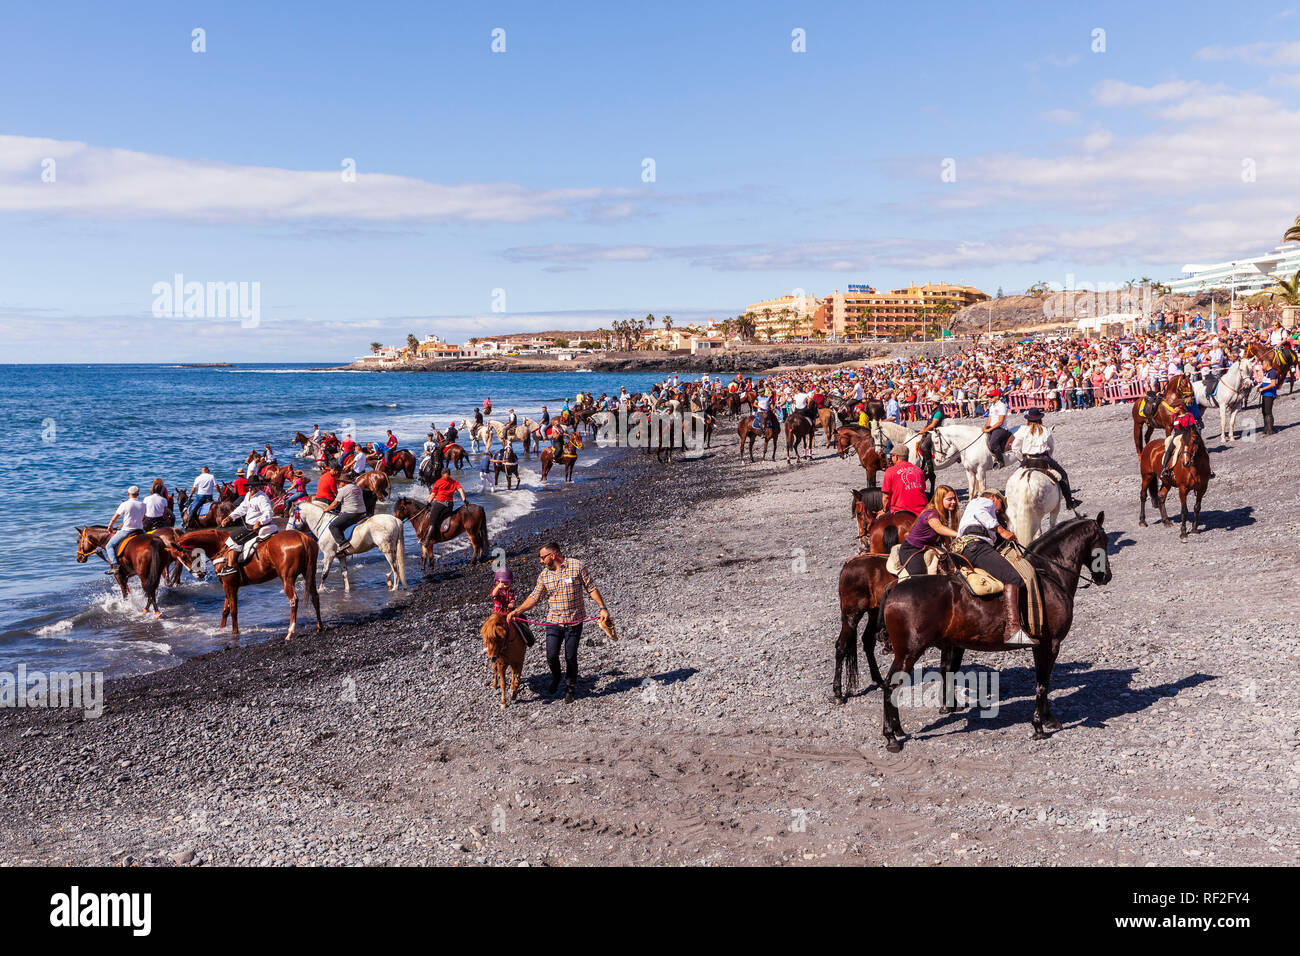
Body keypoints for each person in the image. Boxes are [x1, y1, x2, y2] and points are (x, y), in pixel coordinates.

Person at [507, 542, 610, 702]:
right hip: (553, 622)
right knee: (551, 655)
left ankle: (570, 687)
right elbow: (535, 597)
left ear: (552, 555)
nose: (541, 561)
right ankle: (556, 676)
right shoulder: (544, 576)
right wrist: (518, 611)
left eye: (542, 557)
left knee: (570, 657)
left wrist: (602, 608)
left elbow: (591, 588)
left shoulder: (577, 566)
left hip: (574, 622)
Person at [954, 490, 1033, 646]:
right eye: (1000, 506)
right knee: (1013, 577)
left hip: (968, 547)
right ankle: (1013, 630)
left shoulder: (973, 513)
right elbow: (982, 513)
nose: (998, 510)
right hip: (975, 545)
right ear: (994, 497)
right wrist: (1003, 531)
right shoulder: (983, 502)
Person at [1010, 408, 1082, 510]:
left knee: (1014, 479)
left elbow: (1015, 447)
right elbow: (1051, 446)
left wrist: (1021, 459)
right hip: (1043, 459)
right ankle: (1069, 502)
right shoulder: (1045, 430)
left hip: (1028, 459)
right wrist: (1050, 457)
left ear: (1028, 420)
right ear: (1040, 419)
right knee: (1063, 475)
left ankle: (1008, 501)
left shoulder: (1023, 431)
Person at [216, 477, 277, 575]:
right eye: (249, 486)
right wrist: (230, 517)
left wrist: (260, 522)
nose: (250, 488)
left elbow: (269, 512)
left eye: (253, 486)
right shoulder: (248, 495)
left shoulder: (262, 498)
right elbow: (242, 508)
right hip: (249, 524)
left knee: (232, 539)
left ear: (258, 486)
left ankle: (231, 566)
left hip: (256, 526)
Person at [896, 484, 960, 577]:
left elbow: (945, 538)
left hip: (928, 547)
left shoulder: (944, 513)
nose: (954, 502)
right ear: (939, 500)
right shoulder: (931, 513)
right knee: (920, 577)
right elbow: (938, 528)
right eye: (949, 499)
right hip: (912, 549)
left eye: (954, 498)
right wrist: (960, 534)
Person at [318, 473, 367, 557]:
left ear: (344, 482)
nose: (339, 483)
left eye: (340, 482)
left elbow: (335, 504)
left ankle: (343, 544)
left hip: (351, 513)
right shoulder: (358, 488)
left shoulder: (343, 490)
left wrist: (326, 509)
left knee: (333, 526)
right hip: (362, 513)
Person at [105, 486, 146, 574]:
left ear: (128, 494)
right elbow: (143, 518)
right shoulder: (143, 505)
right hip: (140, 531)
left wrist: (110, 526)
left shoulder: (124, 504)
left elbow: (114, 518)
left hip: (127, 531)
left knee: (109, 546)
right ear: (138, 494)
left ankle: (115, 566)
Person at [490, 567, 534, 646]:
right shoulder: (497, 590)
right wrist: (498, 587)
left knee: (521, 620)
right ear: (497, 582)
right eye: (503, 582)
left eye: (507, 583)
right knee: (490, 628)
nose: (504, 585)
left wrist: (512, 604)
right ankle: (490, 643)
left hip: (508, 613)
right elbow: (494, 594)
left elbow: (512, 600)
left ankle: (526, 638)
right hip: (498, 614)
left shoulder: (510, 591)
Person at [880, 446, 927, 516]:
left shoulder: (890, 471)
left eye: (892, 455)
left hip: (900, 510)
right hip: (922, 511)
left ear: (896, 457)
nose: (891, 458)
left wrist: (884, 510)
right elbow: (922, 489)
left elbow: (886, 497)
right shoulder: (919, 470)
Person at [1161, 405, 1198, 485]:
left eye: (1175, 407)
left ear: (1180, 407)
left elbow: (1193, 426)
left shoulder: (1189, 415)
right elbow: (1172, 426)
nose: (1173, 409)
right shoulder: (1175, 416)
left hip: (1187, 435)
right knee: (1169, 450)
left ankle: (1208, 470)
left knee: (1199, 448)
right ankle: (1164, 469)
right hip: (1177, 435)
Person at [427, 471, 466, 542]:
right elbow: (460, 490)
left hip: (440, 504)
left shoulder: (438, 482)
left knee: (432, 520)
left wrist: (428, 502)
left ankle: (427, 540)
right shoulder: (454, 482)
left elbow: (433, 494)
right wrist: (464, 500)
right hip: (449, 506)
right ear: (450, 474)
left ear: (441, 474)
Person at [982, 390, 1011, 466]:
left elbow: (1000, 422)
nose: (990, 398)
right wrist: (985, 427)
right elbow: (989, 420)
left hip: (1000, 428)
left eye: (991, 397)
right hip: (992, 427)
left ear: (997, 397)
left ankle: (1000, 460)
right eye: (989, 397)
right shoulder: (992, 406)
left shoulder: (1002, 406)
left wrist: (989, 429)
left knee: (993, 443)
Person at [1260, 361, 1279, 435]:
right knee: (1264, 411)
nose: (1262, 365)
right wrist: (1261, 386)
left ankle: (1270, 429)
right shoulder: (1267, 372)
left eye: (1263, 363)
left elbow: (1273, 384)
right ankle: (1266, 428)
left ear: (1267, 364)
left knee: (1268, 412)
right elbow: (1266, 382)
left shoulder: (1272, 372)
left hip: (1269, 394)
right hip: (1265, 394)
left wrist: (1263, 389)